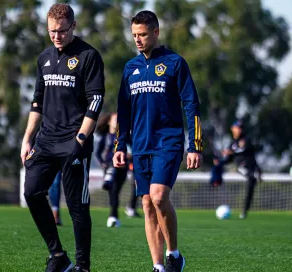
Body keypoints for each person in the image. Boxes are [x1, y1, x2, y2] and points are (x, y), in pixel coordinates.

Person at [113, 10, 203, 272]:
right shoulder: (130, 68)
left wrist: (194, 145)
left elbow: (191, 105)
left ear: (156, 32)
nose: (137, 40)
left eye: (142, 34)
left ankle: (174, 254)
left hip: (169, 141)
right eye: (134, 35)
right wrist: (120, 145)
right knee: (146, 204)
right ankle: (158, 266)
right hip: (140, 145)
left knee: (158, 195)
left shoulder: (175, 63)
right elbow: (124, 111)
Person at [20, 3, 105, 272]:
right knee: (32, 192)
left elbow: (96, 101)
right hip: (46, 140)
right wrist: (27, 139)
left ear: (73, 26)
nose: (56, 36)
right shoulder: (44, 58)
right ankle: (58, 256)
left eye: (61, 31)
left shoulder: (88, 56)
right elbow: (37, 102)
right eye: (51, 31)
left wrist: (80, 140)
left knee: (77, 206)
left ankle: (82, 267)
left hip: (74, 141)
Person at [95, 112, 140, 228]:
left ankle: (117, 213)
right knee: (113, 191)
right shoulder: (105, 137)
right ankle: (113, 216)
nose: (117, 121)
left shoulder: (125, 137)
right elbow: (98, 153)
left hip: (122, 167)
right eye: (115, 119)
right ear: (109, 121)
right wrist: (103, 163)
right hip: (109, 167)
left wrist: (129, 157)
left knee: (117, 191)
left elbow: (132, 150)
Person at [222, 120, 261, 219]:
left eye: (241, 128)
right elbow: (229, 159)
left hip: (249, 167)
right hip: (240, 168)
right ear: (232, 128)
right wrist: (220, 161)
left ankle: (244, 210)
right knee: (249, 177)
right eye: (238, 127)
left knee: (251, 181)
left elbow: (244, 150)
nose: (240, 130)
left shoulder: (246, 140)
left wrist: (231, 152)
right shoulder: (232, 143)